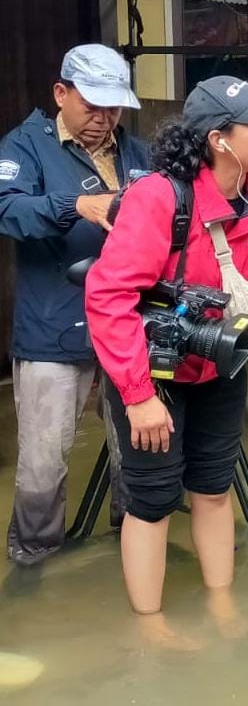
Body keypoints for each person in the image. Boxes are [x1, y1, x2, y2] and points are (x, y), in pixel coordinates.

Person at [85, 77, 248, 645]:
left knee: (212, 486)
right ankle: (151, 627)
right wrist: (137, 397)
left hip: (220, 365)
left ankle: (222, 604)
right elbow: (108, 297)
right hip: (152, 370)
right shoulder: (160, 197)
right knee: (153, 499)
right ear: (219, 140)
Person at [0, 44, 149, 568]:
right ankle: (33, 559)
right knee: (43, 459)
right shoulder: (24, 146)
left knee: (136, 444)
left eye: (113, 108)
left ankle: (131, 543)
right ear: (61, 94)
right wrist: (76, 205)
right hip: (52, 325)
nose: (103, 119)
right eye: (93, 106)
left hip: (129, 327)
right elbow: (7, 209)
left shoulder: (135, 152)